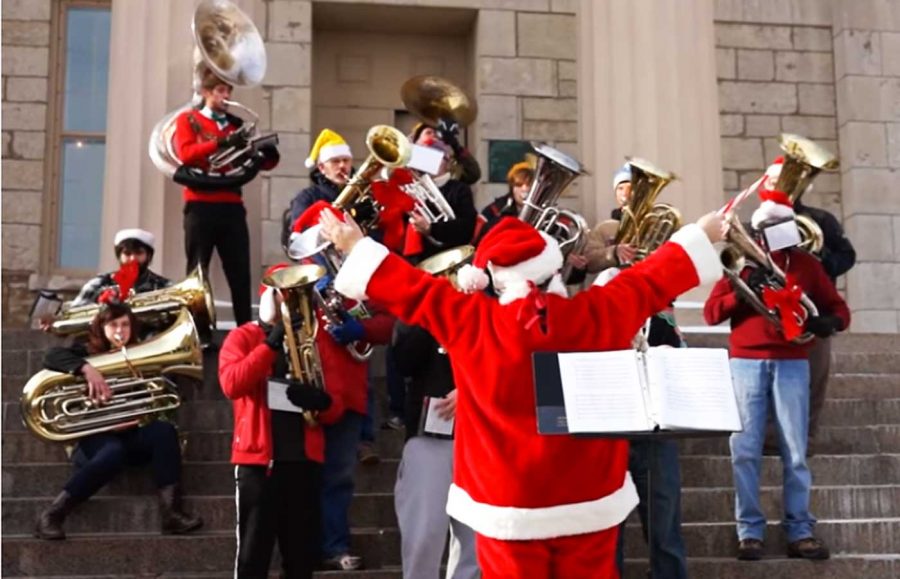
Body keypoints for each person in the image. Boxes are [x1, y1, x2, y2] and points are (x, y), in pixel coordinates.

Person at [319, 207, 726, 578]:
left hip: (506, 501)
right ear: (554, 270)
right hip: (590, 496)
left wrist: (355, 244)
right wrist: (702, 234)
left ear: (494, 278)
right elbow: (648, 281)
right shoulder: (597, 311)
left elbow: (414, 291)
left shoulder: (472, 320)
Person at [703, 186, 851, 562]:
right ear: (760, 231)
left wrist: (827, 321)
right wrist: (741, 292)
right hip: (746, 362)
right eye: (774, 225)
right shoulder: (741, 263)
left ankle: (800, 530)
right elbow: (711, 313)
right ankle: (749, 531)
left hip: (792, 361)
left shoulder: (805, 264)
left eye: (786, 224)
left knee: (796, 451)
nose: (782, 231)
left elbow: (839, 309)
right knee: (745, 450)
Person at [34, 302, 202, 540]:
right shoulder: (85, 352)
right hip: (95, 436)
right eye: (113, 325)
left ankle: (172, 514)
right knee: (113, 452)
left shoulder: (140, 355)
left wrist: (137, 416)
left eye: (125, 325)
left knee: (164, 431)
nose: (120, 331)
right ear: (101, 327)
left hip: (131, 432)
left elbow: (160, 397)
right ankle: (53, 515)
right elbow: (51, 355)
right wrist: (87, 369)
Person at [218, 264, 339, 579]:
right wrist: (270, 344)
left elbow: (336, 401)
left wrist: (321, 402)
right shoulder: (242, 336)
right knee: (252, 559)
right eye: (282, 293)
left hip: (303, 463)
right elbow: (232, 383)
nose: (289, 300)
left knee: (301, 562)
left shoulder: (312, 338)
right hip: (260, 465)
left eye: (295, 294)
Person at [173, 65, 280, 326]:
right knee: (198, 271)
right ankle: (199, 331)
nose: (226, 96)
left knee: (239, 271)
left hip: (232, 206)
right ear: (206, 92)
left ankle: (245, 327)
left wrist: (266, 155)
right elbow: (187, 154)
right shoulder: (188, 120)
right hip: (199, 206)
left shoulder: (236, 125)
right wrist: (220, 144)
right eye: (221, 90)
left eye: (228, 90)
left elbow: (253, 161)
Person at [765, 157, 856, 453]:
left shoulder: (821, 220)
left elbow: (847, 256)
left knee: (815, 377)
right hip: (773, 309)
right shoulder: (761, 220)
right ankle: (770, 436)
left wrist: (820, 262)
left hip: (814, 306)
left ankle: (807, 436)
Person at [393, 320, 479, 579]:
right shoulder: (421, 314)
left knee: (476, 546)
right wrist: (429, 311)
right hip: (431, 436)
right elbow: (403, 361)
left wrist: (474, 390)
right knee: (424, 536)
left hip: (480, 440)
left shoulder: (490, 301)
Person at [405, 128, 477, 261]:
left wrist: (431, 228)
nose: (429, 161)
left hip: (447, 258)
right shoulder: (413, 187)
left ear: (447, 161)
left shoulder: (460, 189)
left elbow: (467, 228)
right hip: (415, 260)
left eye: (435, 156)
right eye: (425, 156)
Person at [69, 229, 170, 308]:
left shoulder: (165, 286)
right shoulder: (98, 284)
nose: (133, 259)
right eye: (127, 253)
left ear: (148, 256)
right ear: (119, 256)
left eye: (139, 253)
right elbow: (73, 317)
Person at [476, 160, 533, 243]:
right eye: (518, 185)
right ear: (512, 188)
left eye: (529, 185)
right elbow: (478, 240)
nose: (524, 189)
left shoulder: (544, 211)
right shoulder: (493, 210)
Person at [411, 120, 481, 186]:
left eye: (438, 136)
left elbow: (473, 175)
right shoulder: (410, 162)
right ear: (417, 141)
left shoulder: (450, 168)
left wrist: (457, 147)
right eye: (428, 132)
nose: (434, 136)